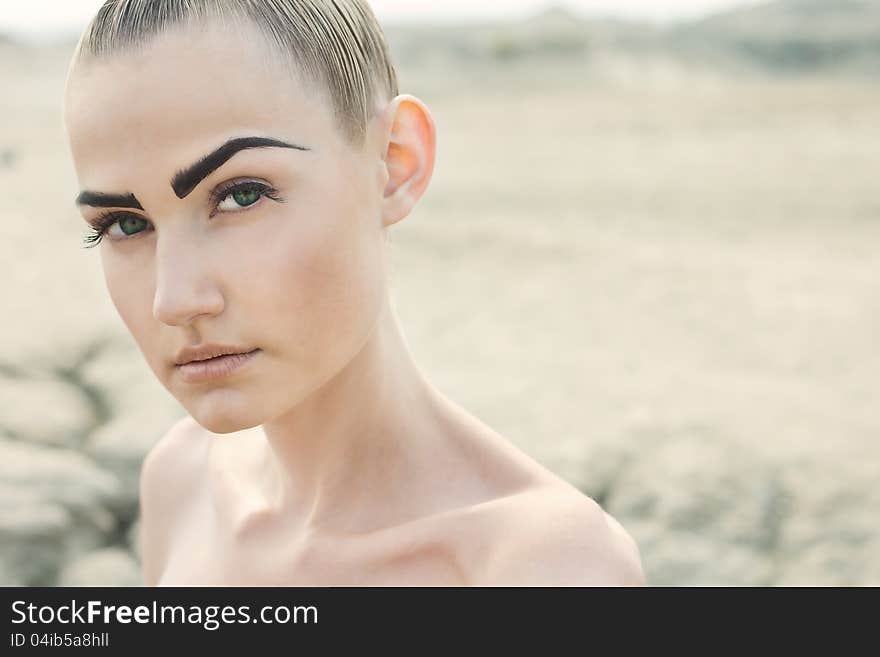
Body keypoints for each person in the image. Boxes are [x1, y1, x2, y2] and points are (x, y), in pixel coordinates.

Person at [62, 0, 645, 586]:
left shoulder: (543, 569)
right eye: (124, 224)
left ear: (395, 161)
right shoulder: (182, 484)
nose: (175, 299)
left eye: (240, 194)